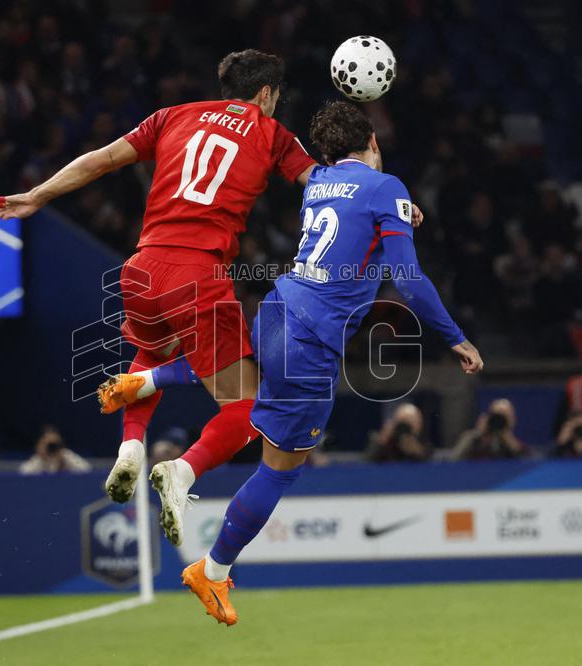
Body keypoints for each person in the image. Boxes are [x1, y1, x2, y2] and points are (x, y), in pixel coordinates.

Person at [0, 49, 316, 546]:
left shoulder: (171, 117)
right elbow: (322, 185)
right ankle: (182, 472)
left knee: (148, 357)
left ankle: (131, 446)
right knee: (246, 408)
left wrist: (38, 195)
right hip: (198, 273)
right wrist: (381, 197)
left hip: (141, 270)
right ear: (267, 94)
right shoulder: (273, 134)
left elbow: (100, 160)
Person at [178, 101, 482, 625]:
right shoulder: (386, 187)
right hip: (311, 339)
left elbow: (354, 231)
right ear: (374, 142)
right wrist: (455, 338)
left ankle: (149, 383)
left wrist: (400, 217)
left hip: (275, 309)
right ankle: (211, 568)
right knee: (280, 468)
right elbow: (406, 278)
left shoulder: (318, 182)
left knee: (251, 403)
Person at [450, 399, 528, 461]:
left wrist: (508, 440)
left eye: (504, 416)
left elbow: (528, 468)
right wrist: (477, 435)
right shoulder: (473, 440)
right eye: (496, 415)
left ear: (512, 419)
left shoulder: (519, 446)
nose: (499, 420)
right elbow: (453, 460)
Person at [368, 403, 433, 462]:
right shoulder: (383, 441)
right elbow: (366, 466)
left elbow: (433, 468)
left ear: (420, 424)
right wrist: (381, 442)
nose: (405, 428)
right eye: (403, 422)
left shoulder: (425, 444)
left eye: (411, 422)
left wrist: (418, 452)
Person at [20, 426, 92, 474]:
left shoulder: (65, 455)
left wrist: (63, 458)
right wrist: (41, 458)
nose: (52, 447)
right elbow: (23, 473)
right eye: (49, 444)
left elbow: (86, 469)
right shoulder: (38, 460)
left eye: (54, 444)